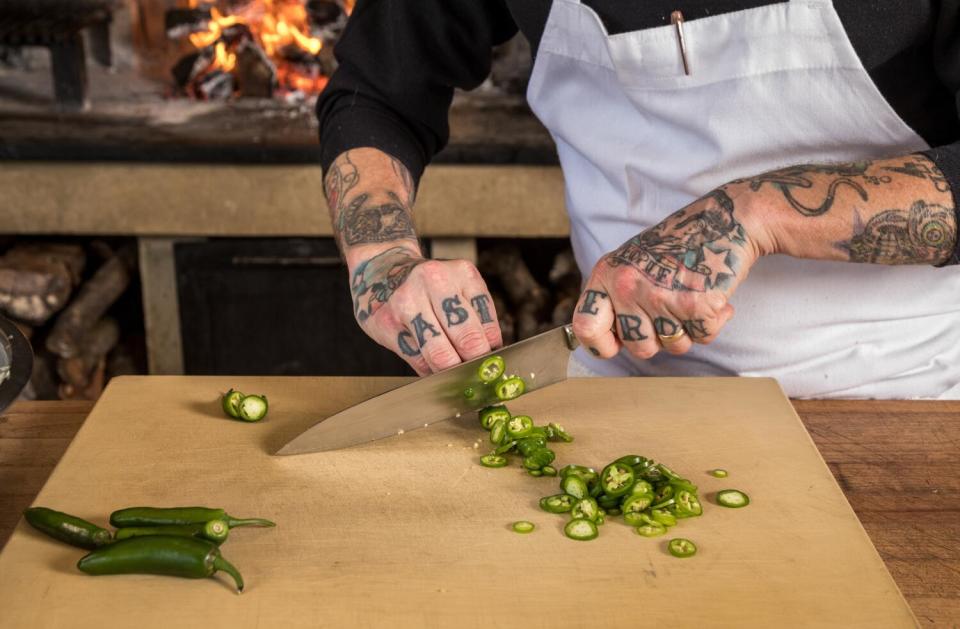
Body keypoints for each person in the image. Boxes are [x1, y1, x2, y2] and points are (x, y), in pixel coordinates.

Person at [317, 1, 960, 399]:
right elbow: (378, 92)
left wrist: (754, 212)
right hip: (620, 394)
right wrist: (381, 256)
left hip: (902, 394)